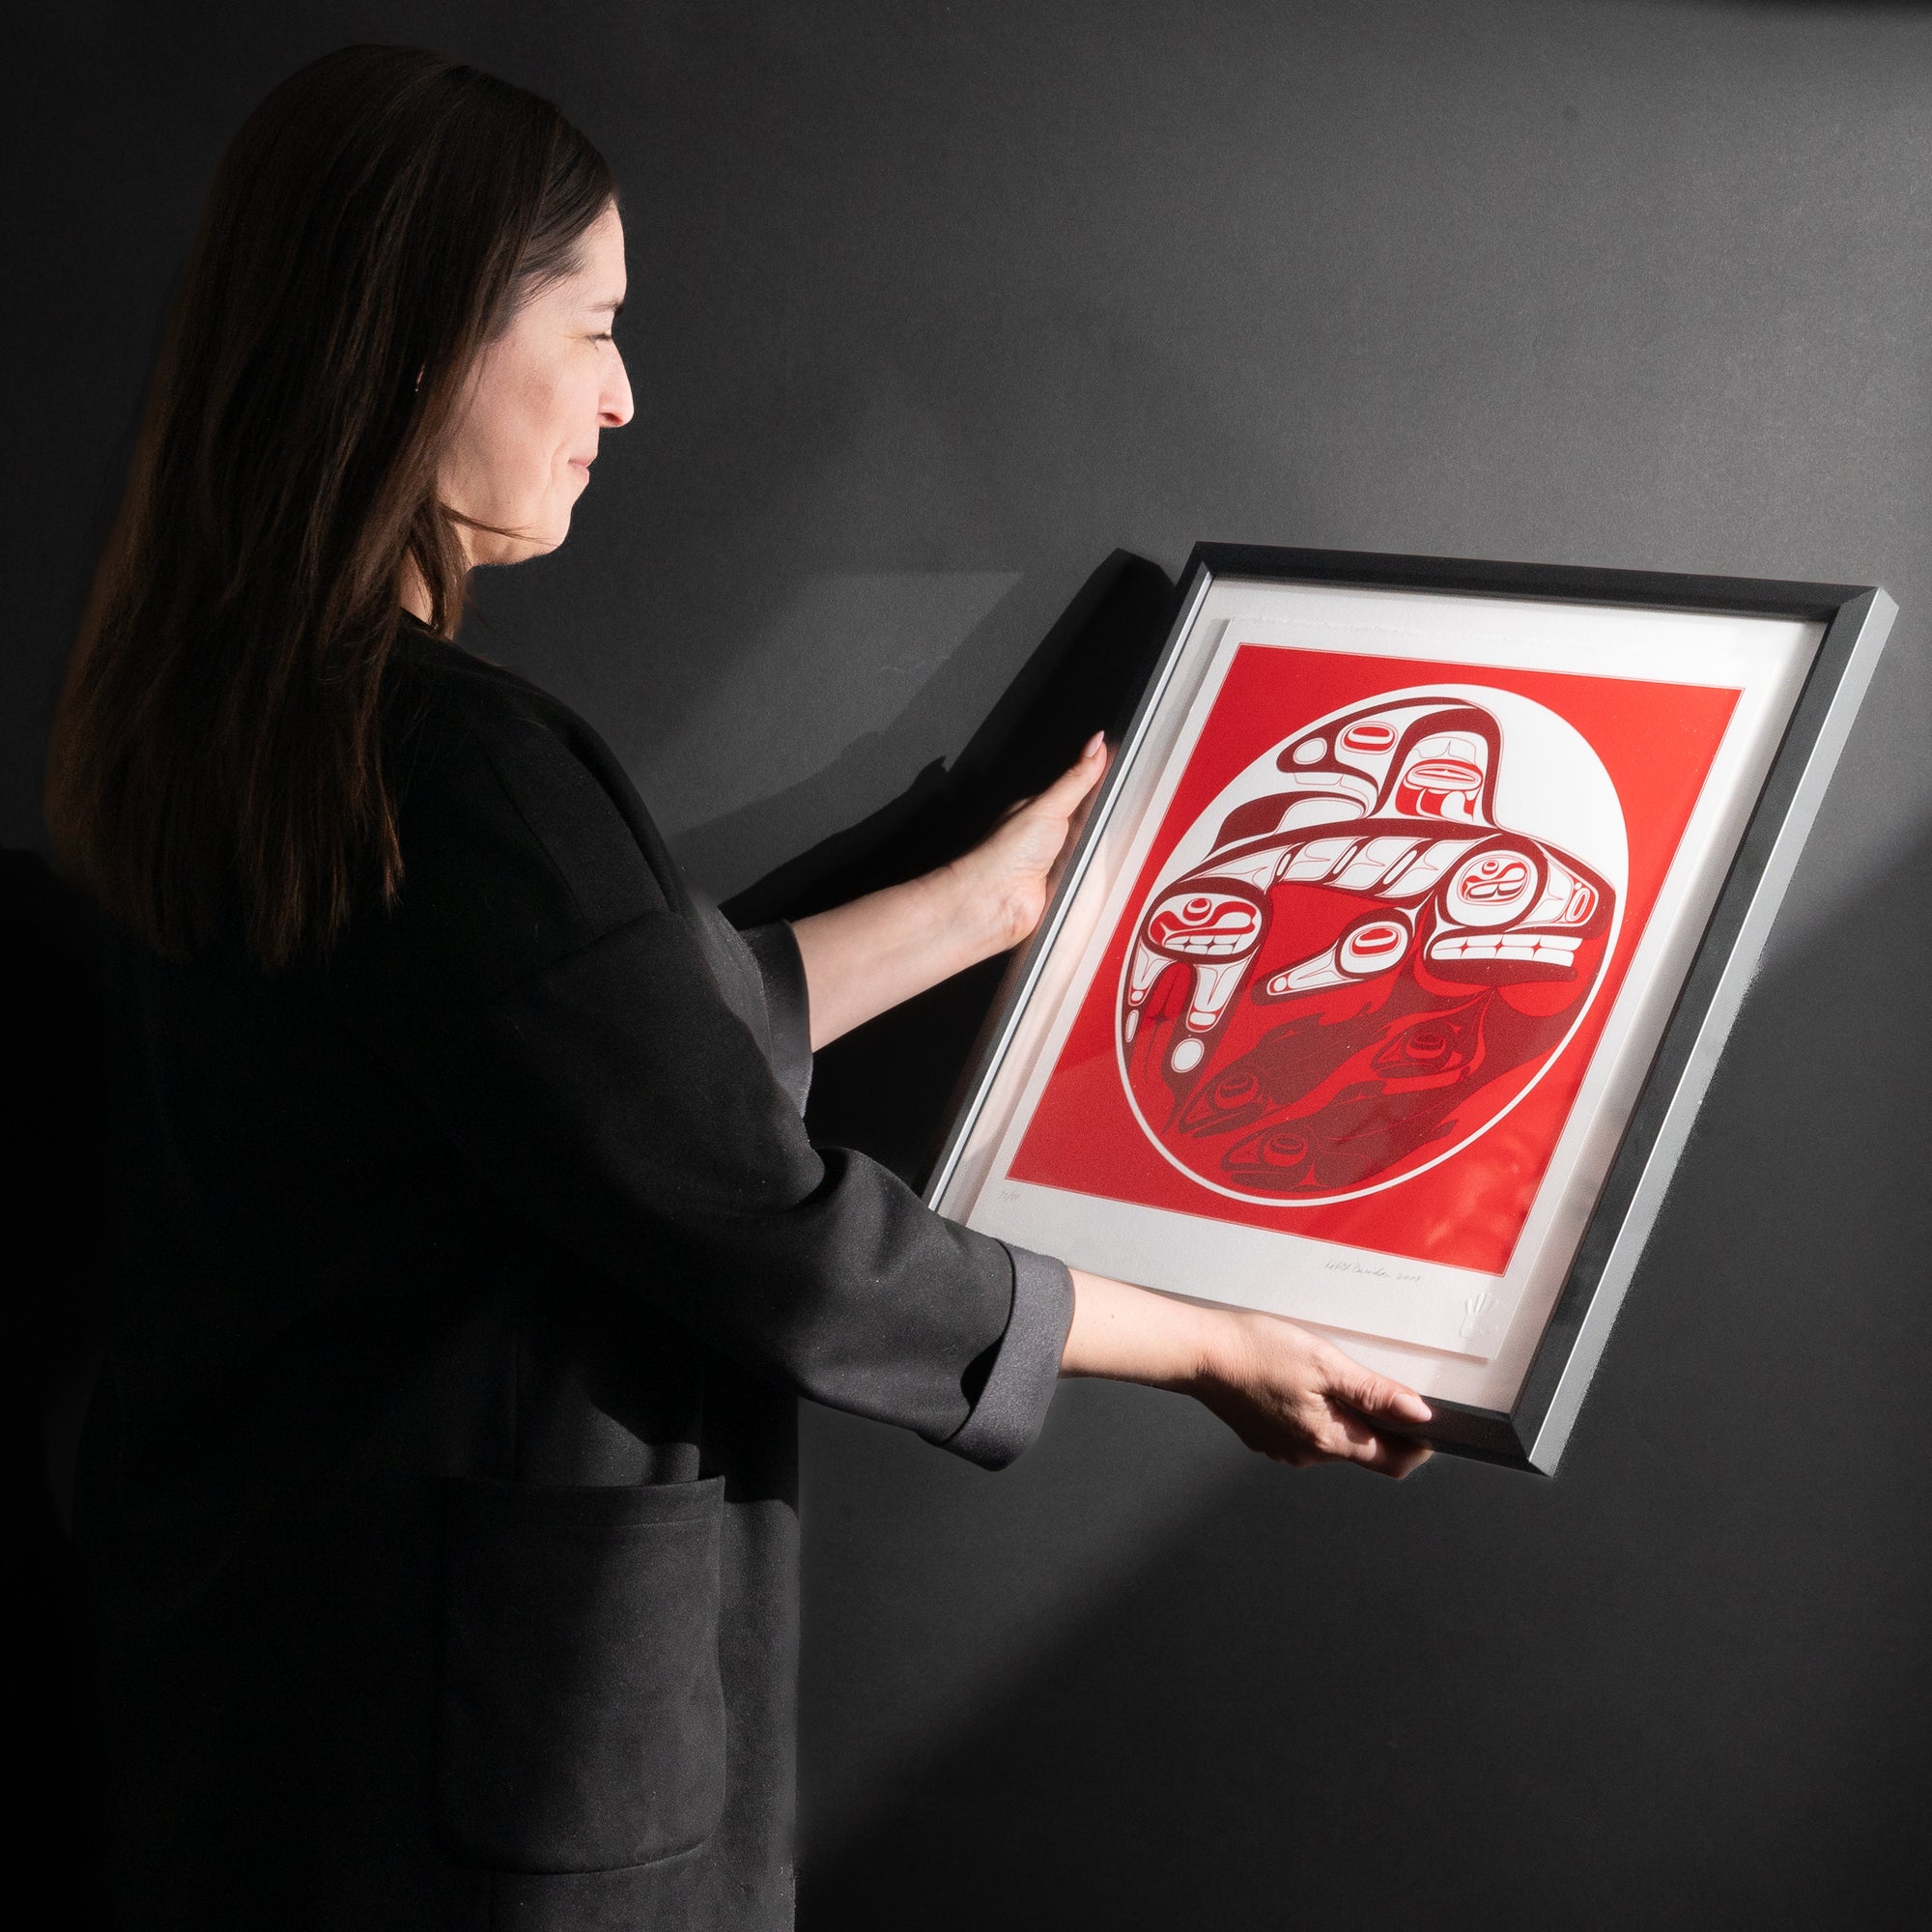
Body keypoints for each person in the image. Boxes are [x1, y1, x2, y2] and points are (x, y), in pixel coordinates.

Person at [45, 45, 1432, 1932]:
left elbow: (581, 1039)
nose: (621, 396)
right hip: (485, 1770)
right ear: (426, 332)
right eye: (595, 325)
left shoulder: (211, 716)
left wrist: (971, 907)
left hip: (256, 1685)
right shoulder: (454, 767)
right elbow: (758, 1223)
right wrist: (1214, 1336)